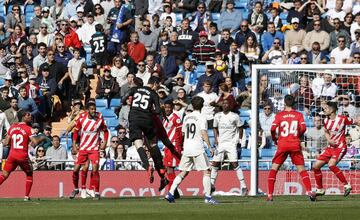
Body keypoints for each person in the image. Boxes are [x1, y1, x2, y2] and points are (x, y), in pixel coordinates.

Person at [165, 96, 218, 204]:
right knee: (207, 171)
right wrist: (209, 146)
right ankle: (208, 197)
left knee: (183, 172)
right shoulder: (202, 117)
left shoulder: (187, 117)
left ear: (192, 105)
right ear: (202, 106)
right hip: (197, 148)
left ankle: (170, 193)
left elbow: (183, 133)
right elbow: (203, 132)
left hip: (187, 147)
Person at [267, 95, 316, 202]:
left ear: (284, 102)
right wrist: (298, 135)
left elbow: (272, 129)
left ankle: (270, 195)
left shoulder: (280, 115)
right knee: (302, 170)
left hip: (283, 144)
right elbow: (303, 128)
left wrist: (275, 140)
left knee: (274, 168)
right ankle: (309, 191)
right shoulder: (298, 115)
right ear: (294, 103)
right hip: (295, 144)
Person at [127, 76, 168, 191]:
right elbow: (159, 111)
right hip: (147, 119)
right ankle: (161, 171)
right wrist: (151, 111)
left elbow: (124, 98)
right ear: (154, 84)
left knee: (138, 143)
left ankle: (146, 165)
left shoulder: (136, 89)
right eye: (158, 86)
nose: (157, 88)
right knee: (153, 145)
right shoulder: (153, 94)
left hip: (134, 118)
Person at [312, 101, 359, 197]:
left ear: (332, 110)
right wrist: (329, 139)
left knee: (331, 165)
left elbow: (357, 122)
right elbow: (325, 131)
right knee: (316, 166)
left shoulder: (342, 119)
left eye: (326, 108)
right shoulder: (325, 120)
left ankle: (346, 185)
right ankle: (320, 189)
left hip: (340, 147)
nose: (324, 110)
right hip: (330, 147)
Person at [0, 112, 46, 201]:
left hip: (12, 155)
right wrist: (42, 137)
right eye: (28, 115)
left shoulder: (12, 127)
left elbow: (6, 143)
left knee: (4, 175)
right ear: (23, 117)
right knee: (29, 174)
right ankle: (26, 196)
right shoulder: (29, 129)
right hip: (22, 156)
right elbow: (35, 142)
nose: (30, 117)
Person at [69, 100, 109, 200]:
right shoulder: (82, 118)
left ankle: (96, 192)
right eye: (91, 109)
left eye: (94, 109)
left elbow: (105, 131)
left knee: (95, 169)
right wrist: (74, 145)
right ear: (87, 110)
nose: (93, 111)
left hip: (94, 148)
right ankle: (76, 189)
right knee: (75, 170)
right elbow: (75, 132)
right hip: (83, 148)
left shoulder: (99, 118)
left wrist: (104, 142)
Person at [211, 99, 247, 196]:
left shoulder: (234, 116)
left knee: (235, 163)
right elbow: (214, 128)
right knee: (215, 163)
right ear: (222, 105)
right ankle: (211, 185)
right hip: (221, 144)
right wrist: (216, 139)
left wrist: (239, 140)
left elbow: (241, 127)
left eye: (227, 103)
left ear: (230, 106)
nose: (225, 105)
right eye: (224, 103)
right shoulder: (217, 116)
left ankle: (243, 186)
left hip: (231, 143)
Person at [162, 100, 183, 198]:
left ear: (172, 107)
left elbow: (180, 134)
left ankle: (171, 193)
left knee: (170, 169)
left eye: (169, 107)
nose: (167, 109)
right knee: (167, 168)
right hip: (167, 146)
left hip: (173, 146)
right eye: (165, 107)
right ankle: (174, 192)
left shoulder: (176, 119)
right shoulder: (164, 118)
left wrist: (178, 147)